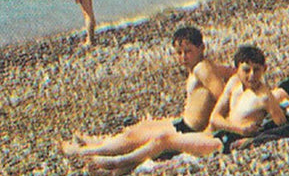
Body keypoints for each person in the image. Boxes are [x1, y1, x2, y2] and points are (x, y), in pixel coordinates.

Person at [76, 45, 289, 176]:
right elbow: (215, 118)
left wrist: (248, 137)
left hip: (223, 143)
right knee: (163, 147)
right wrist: (240, 129)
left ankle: (115, 161)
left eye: (257, 70)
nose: (252, 76)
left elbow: (281, 126)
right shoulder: (234, 83)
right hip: (216, 133)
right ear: (238, 69)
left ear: (265, 70)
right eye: (247, 70)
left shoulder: (264, 96)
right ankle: (114, 169)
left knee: (164, 141)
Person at [61, 26, 234, 158]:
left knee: (133, 138)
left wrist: (214, 127)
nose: (183, 57)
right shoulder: (204, 66)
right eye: (179, 53)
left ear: (202, 47)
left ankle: (86, 151)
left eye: (188, 52)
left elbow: (222, 97)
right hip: (184, 123)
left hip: (189, 129)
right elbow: (231, 72)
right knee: (139, 128)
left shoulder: (202, 69)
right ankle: (97, 142)